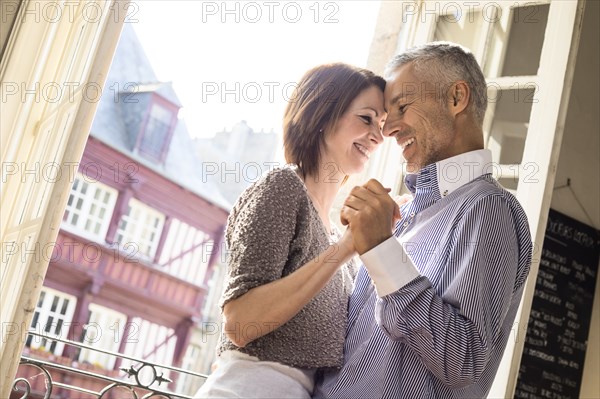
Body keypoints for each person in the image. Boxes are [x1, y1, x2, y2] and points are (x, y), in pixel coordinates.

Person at [314, 42, 533, 398]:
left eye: (402, 107)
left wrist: (381, 248)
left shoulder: (488, 209)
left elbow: (462, 358)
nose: (388, 130)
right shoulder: (402, 215)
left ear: (456, 98)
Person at [195, 63, 387, 398]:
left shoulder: (332, 231)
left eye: (383, 126)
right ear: (324, 113)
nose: (378, 136)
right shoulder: (282, 188)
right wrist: (343, 249)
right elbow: (240, 323)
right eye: (367, 118)